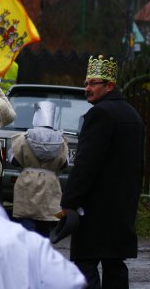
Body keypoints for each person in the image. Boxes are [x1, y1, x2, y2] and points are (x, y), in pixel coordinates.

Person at [60, 55, 144, 288]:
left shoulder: (100, 114)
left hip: (96, 209)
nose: (86, 88)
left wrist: (70, 200)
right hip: (122, 207)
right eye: (85, 83)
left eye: (92, 83)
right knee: (115, 265)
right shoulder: (133, 115)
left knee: (85, 264)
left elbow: (87, 163)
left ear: (109, 86)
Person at [10, 101, 68, 237]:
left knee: (26, 217)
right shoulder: (60, 140)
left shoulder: (24, 137)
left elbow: (14, 160)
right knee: (45, 222)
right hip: (50, 183)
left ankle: (27, 249)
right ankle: (42, 250)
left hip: (27, 182)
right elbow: (64, 163)